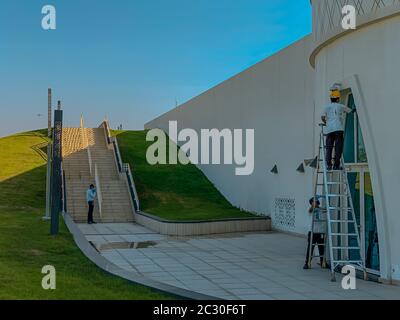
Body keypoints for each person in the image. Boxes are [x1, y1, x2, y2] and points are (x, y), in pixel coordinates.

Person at [321, 89, 355, 170]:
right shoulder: (341, 106)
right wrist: (354, 107)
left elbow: (322, 117)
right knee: (338, 148)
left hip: (329, 130)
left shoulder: (326, 107)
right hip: (338, 129)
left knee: (329, 148)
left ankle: (328, 165)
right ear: (337, 99)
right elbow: (350, 111)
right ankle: (336, 165)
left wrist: (326, 123)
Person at [304, 197, 327, 269]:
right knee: (310, 248)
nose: (316, 203)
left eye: (316, 202)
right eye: (314, 202)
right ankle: (307, 263)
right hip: (312, 232)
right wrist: (313, 206)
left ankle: (323, 262)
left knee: (321, 248)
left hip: (320, 232)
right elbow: (310, 210)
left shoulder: (321, 209)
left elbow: (325, 210)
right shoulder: (310, 209)